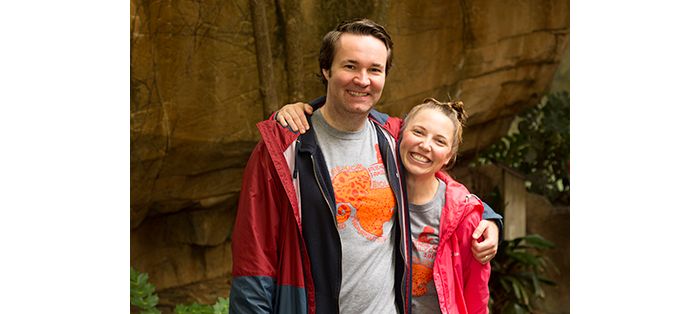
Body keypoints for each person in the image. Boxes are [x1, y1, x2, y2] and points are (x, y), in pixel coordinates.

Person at [230, 18, 499, 314]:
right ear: (326, 69)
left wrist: (487, 218)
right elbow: (253, 259)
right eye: (350, 66)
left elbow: (434, 171)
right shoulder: (282, 151)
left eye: (374, 69)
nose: (363, 79)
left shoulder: (394, 136)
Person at [278, 98, 494, 313]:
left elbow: (477, 296)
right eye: (418, 132)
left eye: (439, 141)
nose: (425, 145)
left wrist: (492, 220)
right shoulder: (381, 190)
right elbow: (349, 105)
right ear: (399, 134)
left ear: (449, 156)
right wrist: (305, 109)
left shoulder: (465, 215)